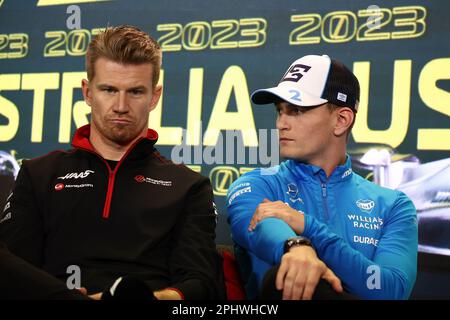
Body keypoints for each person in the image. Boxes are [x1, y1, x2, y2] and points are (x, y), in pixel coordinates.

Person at [0, 25, 225, 300]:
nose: (120, 105)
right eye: (108, 89)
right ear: (87, 92)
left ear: (155, 96)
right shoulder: (39, 174)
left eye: (135, 92)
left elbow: (201, 284)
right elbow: (12, 270)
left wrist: (145, 300)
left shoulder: (189, 186)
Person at [226, 54, 418, 300]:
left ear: (341, 120)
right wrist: (296, 248)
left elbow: (391, 290)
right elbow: (261, 225)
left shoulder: (393, 206)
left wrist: (308, 228)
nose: (281, 123)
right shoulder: (257, 185)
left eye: (296, 110)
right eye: (280, 111)